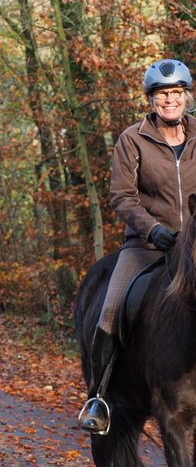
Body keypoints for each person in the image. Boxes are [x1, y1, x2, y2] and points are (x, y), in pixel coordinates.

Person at [77, 59, 196, 434]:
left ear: (186, 96)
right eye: (163, 94)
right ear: (151, 99)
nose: (170, 100)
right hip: (147, 244)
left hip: (194, 244)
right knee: (111, 308)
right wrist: (152, 228)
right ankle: (99, 398)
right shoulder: (132, 138)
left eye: (176, 93)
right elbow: (122, 196)